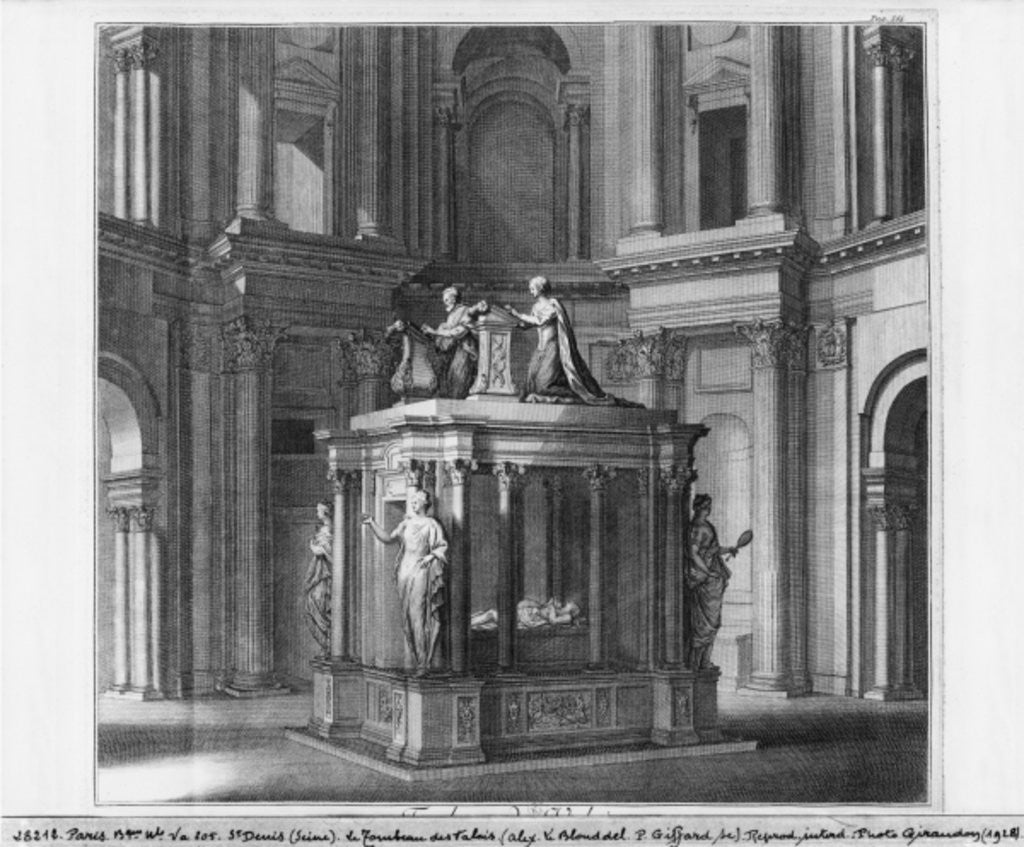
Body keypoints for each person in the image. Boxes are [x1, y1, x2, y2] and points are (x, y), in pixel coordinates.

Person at [505, 276, 641, 406]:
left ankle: (575, 396)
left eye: (533, 288)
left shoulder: (553, 305)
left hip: (553, 348)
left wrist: (518, 314)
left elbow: (541, 321)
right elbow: (529, 324)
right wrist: (513, 323)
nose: (531, 291)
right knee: (533, 385)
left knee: (543, 385)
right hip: (541, 350)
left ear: (540, 289)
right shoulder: (535, 307)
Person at [362, 489, 448, 674]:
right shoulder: (406, 524)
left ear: (425, 503)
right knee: (407, 617)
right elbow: (388, 538)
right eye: (413, 500)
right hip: (404, 572)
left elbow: (441, 547)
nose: (414, 503)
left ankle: (424, 663)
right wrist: (372, 523)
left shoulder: (431, 524)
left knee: (418, 615)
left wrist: (430, 557)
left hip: (421, 571)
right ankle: (419, 660)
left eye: (418, 500)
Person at [686, 494, 735, 670]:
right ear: (699, 507)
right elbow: (693, 553)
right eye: (707, 505)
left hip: (711, 581)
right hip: (704, 581)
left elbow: (712, 551)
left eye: (709, 505)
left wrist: (729, 549)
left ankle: (704, 662)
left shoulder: (706, 527)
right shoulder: (699, 528)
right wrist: (708, 573)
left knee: (713, 623)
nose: (709, 508)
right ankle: (695, 663)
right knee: (702, 624)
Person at [421, 287, 488, 399]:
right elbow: (448, 334)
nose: (445, 303)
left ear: (453, 298)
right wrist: (434, 333)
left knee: (459, 380)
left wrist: (435, 331)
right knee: (450, 379)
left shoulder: (464, 310)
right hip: (454, 350)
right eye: (444, 300)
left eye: (447, 300)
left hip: (465, 350)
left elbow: (458, 332)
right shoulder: (452, 314)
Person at [304, 500, 333, 657]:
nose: (317, 513)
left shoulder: (331, 531)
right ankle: (326, 644)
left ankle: (329, 644)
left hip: (326, 575)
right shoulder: (323, 530)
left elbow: (331, 555)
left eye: (319, 510)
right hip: (318, 572)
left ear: (326, 511)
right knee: (311, 605)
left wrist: (318, 549)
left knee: (320, 604)